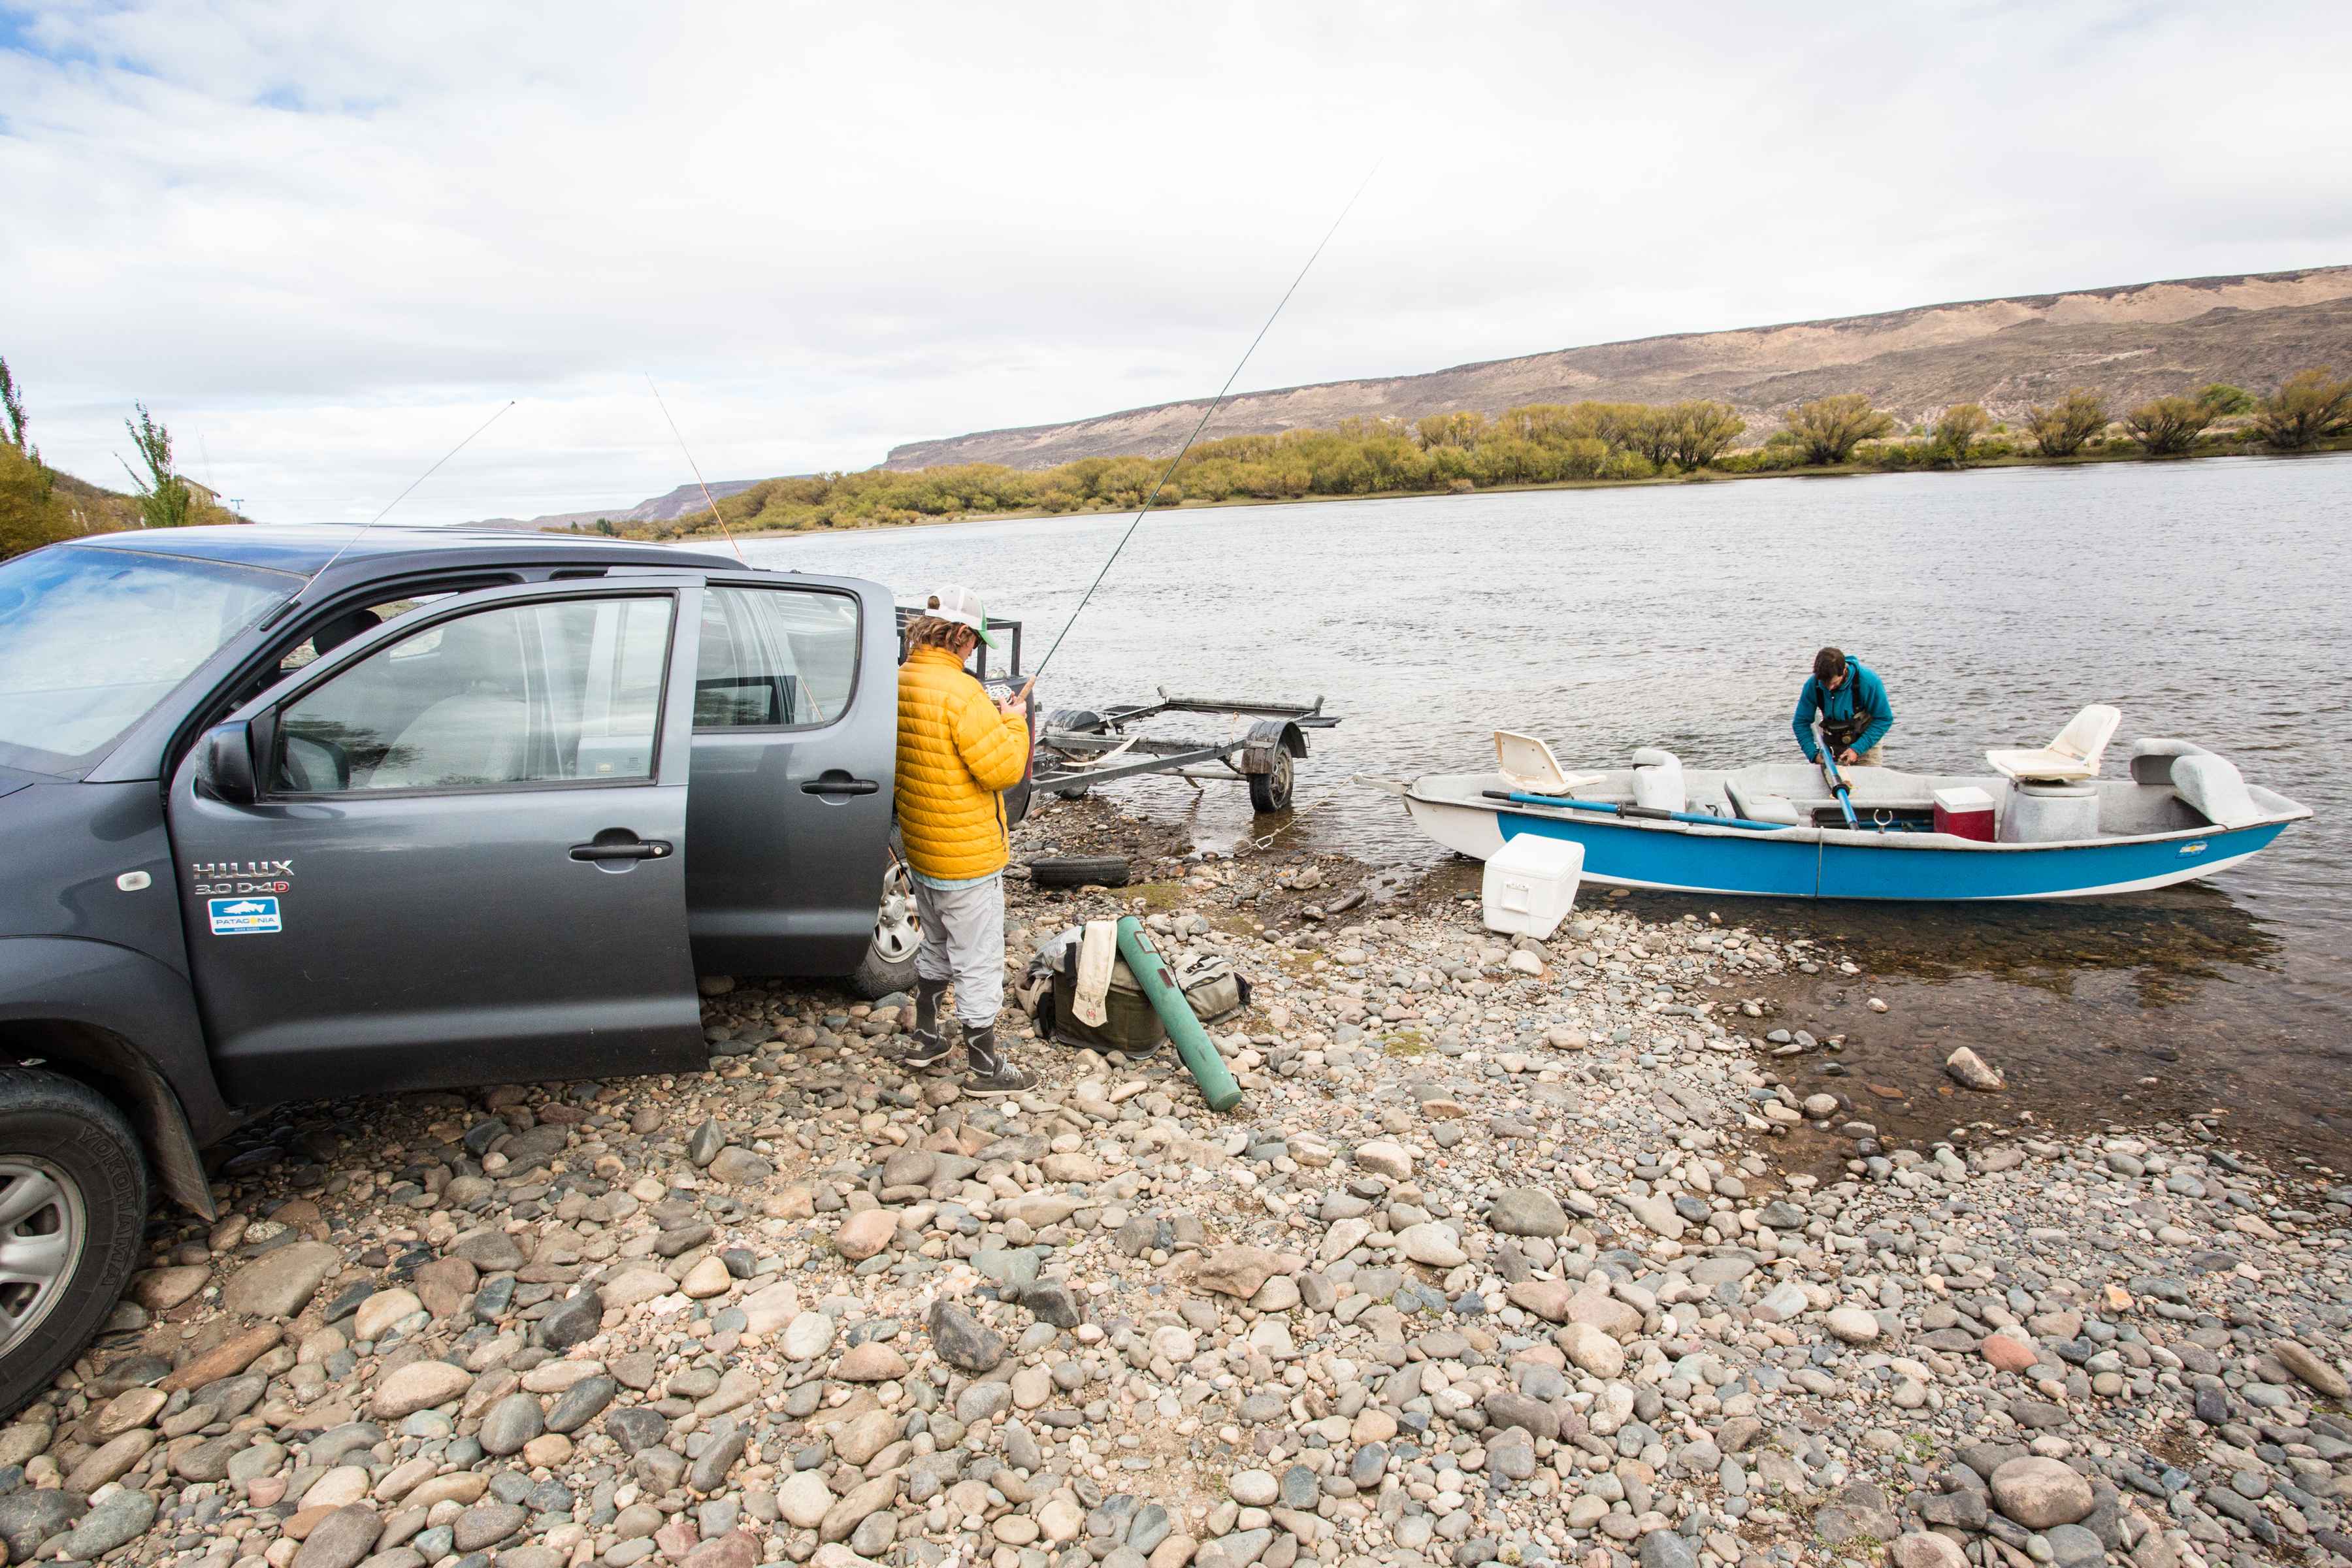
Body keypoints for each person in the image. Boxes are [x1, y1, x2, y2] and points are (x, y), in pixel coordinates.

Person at [889, 585, 1036, 1093]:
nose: (974, 649)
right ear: (956, 635)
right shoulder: (962, 692)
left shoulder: (900, 680)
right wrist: (1013, 724)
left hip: (922, 846)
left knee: (935, 943)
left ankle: (927, 1037)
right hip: (967, 857)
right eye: (973, 640)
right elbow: (1001, 770)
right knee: (978, 960)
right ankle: (984, 1067)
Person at [1793, 647, 1893, 767]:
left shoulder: (1869, 682)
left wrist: (1857, 749)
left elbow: (1884, 719)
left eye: (1835, 683)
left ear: (1844, 670)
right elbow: (1800, 723)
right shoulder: (1813, 685)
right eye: (1825, 684)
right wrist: (1813, 754)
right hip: (1832, 745)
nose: (1829, 688)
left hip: (1865, 743)